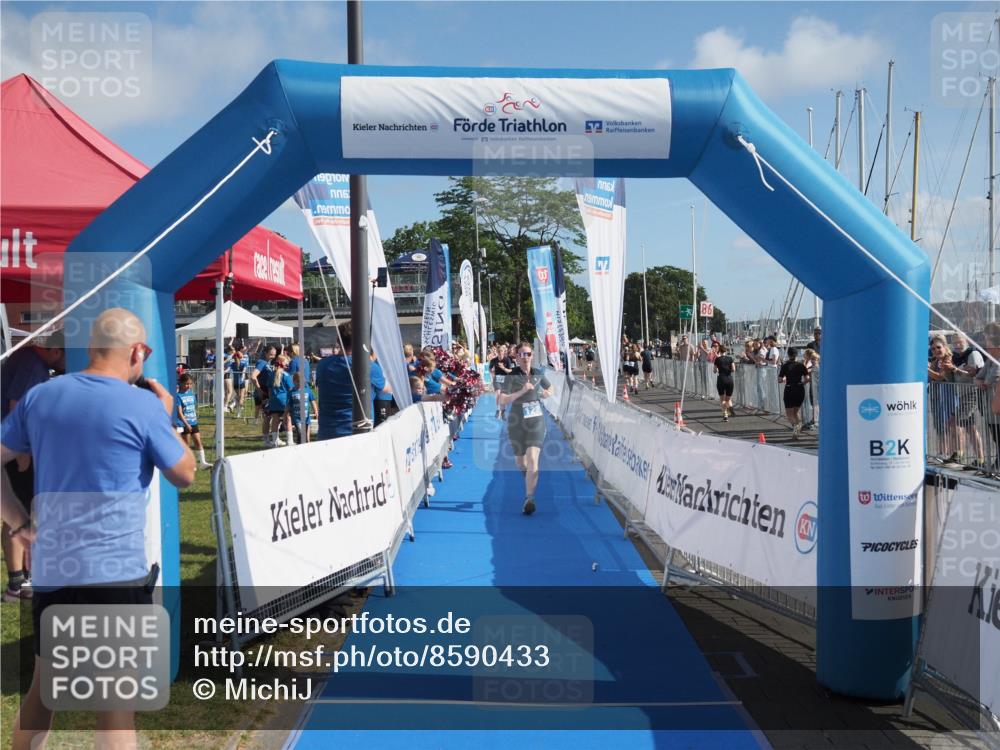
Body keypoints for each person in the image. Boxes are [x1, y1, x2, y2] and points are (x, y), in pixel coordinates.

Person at [1, 308, 195, 750]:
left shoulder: (42, 396)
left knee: (43, 693)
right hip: (115, 575)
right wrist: (164, 418)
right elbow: (185, 474)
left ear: (89, 348)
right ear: (138, 352)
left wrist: (18, 520)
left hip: (55, 572)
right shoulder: (142, 404)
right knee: (115, 710)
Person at [0, 331, 65, 602]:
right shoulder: (32, 365)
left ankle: (20, 580)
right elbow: (18, 409)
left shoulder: (26, 360)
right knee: (22, 509)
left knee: (19, 509)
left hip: (10, 448)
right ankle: (20, 583)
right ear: (57, 351)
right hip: (13, 451)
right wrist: (24, 454)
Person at [497, 342, 553, 516]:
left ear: (532, 356)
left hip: (536, 420)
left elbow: (550, 386)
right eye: (522, 354)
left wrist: (547, 393)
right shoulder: (511, 376)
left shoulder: (537, 373)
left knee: (533, 459)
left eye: (528, 354)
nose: (526, 357)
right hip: (516, 422)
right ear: (516, 357)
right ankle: (528, 477)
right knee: (521, 463)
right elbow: (502, 400)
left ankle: (529, 498)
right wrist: (521, 391)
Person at [315, 321, 386, 439]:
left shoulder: (322, 365)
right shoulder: (369, 366)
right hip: (358, 436)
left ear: (338, 340)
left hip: (326, 435)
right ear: (362, 340)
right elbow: (385, 389)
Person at [174, 373, 212, 468]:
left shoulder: (191, 394)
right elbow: (179, 412)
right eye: (186, 384)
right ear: (180, 383)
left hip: (193, 422)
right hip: (183, 424)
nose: (189, 386)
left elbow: (193, 407)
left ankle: (202, 462)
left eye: (190, 384)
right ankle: (188, 464)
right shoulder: (178, 396)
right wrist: (186, 424)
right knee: (186, 445)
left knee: (198, 442)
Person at [778, 347, 810, 438]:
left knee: (789, 414)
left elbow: (780, 380)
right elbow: (807, 378)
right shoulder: (801, 365)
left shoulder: (785, 366)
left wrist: (784, 379)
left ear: (788, 355)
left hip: (789, 389)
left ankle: (796, 427)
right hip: (800, 389)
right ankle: (797, 428)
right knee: (796, 412)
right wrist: (801, 384)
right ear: (796, 355)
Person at [265, 355, 294, 447]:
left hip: (273, 399)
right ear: (283, 363)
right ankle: (290, 441)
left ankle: (275, 441)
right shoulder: (286, 375)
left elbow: (269, 389)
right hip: (284, 400)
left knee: (275, 420)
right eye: (286, 362)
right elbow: (291, 388)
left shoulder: (271, 374)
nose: (288, 364)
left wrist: (270, 399)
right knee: (287, 419)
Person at [252, 345, 276, 445]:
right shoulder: (262, 362)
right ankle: (266, 440)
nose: (273, 356)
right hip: (263, 392)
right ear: (265, 353)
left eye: (274, 355)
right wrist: (259, 390)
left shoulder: (268, 363)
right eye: (271, 354)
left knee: (270, 415)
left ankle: (272, 438)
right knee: (268, 416)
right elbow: (253, 376)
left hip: (268, 392)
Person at [289, 372, 318, 444]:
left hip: (306, 417)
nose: (300, 384)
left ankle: (302, 442)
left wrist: (316, 411)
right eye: (298, 382)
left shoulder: (308, 390)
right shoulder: (292, 392)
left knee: (304, 434)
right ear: (294, 381)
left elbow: (313, 401)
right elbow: (288, 405)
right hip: (297, 417)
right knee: (300, 432)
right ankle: (301, 441)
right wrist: (286, 413)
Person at [490, 344, 513, 419]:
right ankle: (497, 410)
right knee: (498, 393)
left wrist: (503, 368)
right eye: (499, 351)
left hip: (505, 379)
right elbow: (490, 369)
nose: (500, 352)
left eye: (501, 351)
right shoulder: (493, 360)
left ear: (504, 352)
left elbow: (510, 371)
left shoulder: (507, 360)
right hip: (497, 379)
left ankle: (503, 411)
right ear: (497, 352)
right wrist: (492, 373)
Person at [714, 344, 735, 422]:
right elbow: (733, 369)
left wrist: (718, 370)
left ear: (719, 351)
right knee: (728, 398)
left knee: (722, 399)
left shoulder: (717, 359)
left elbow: (714, 370)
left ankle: (725, 414)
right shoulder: (730, 359)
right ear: (726, 351)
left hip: (721, 379)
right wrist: (728, 370)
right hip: (729, 379)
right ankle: (729, 406)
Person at [229, 344, 249, 415]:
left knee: (238, 396)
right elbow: (244, 370)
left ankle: (232, 404)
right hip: (241, 382)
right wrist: (243, 375)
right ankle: (238, 412)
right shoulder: (244, 363)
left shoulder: (232, 364)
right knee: (241, 397)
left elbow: (228, 369)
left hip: (235, 383)